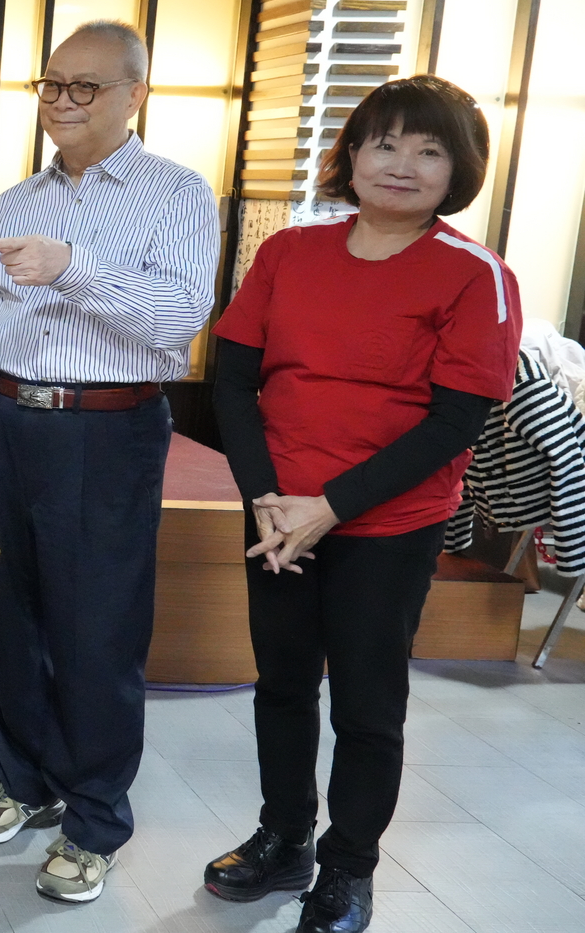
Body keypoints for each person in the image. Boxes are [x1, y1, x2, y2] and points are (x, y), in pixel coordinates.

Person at [204, 76, 519, 933]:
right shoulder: (289, 253)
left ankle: (348, 867)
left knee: (367, 706)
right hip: (277, 513)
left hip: (387, 525)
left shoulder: (475, 275)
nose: (402, 164)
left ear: (459, 171)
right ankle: (284, 837)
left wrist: (329, 507)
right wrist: (267, 499)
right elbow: (232, 382)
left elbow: (455, 422)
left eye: (429, 150)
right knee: (281, 684)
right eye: (384, 144)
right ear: (351, 155)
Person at [0, 19, 218, 904]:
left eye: (85, 87)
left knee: (98, 629)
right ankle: (25, 779)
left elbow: (180, 318)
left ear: (135, 93)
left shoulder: (175, 194)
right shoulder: (10, 204)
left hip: (107, 429)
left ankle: (96, 817)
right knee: (14, 615)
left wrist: (74, 267)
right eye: (52, 84)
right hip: (6, 420)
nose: (62, 102)